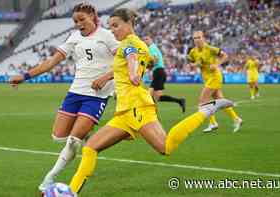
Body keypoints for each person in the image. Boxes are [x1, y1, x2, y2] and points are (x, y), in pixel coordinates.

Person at [68, 8, 234, 194]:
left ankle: (207, 109)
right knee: (90, 147)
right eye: (110, 26)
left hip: (137, 107)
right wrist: (110, 77)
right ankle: (71, 192)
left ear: (129, 22)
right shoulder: (137, 44)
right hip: (124, 111)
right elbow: (145, 60)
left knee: (165, 147)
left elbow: (131, 56)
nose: (113, 30)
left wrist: (132, 72)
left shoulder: (129, 43)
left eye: (116, 25)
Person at [9, 2, 119, 192]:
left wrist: (106, 78)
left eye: (82, 19)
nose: (78, 24)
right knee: (58, 136)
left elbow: (122, 62)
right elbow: (51, 62)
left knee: (72, 141)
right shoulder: (74, 38)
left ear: (93, 16)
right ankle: (85, 136)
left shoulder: (107, 36)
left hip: (97, 96)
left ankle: (48, 179)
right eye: (75, 21)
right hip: (75, 92)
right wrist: (25, 76)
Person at [188, 31, 242, 133]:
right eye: (195, 38)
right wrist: (195, 65)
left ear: (203, 38)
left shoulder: (210, 48)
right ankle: (236, 119)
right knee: (219, 100)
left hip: (215, 77)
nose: (197, 40)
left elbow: (225, 56)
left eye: (199, 37)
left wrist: (217, 64)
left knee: (202, 100)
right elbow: (191, 62)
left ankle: (213, 123)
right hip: (207, 78)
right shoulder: (193, 52)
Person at [144, 36, 186, 113]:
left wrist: (147, 66)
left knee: (149, 94)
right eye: (144, 40)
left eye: (147, 39)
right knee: (158, 97)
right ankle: (180, 101)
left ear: (151, 40)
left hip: (158, 72)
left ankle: (153, 115)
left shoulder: (152, 48)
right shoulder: (153, 48)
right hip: (159, 72)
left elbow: (155, 60)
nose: (145, 41)